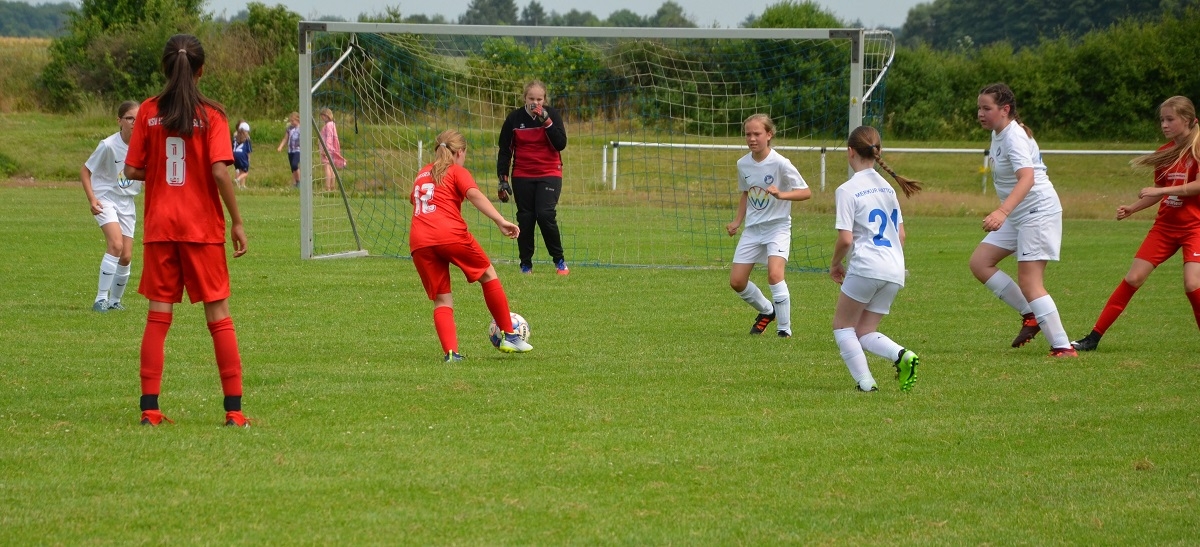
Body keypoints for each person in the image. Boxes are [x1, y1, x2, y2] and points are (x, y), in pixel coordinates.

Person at [123, 33, 251, 427]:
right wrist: (237, 221)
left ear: (165, 67)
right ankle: (234, 411)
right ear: (201, 70)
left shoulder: (148, 110)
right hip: (201, 228)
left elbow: (131, 169)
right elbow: (219, 171)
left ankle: (150, 409)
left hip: (161, 226)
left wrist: (161, 172)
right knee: (219, 316)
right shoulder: (212, 114)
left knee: (158, 316)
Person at [1072, 96, 1200, 351]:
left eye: (1170, 119)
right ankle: (1093, 338)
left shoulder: (1197, 149)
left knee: (1192, 283)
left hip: (1195, 228)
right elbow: (1158, 192)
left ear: (1187, 119)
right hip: (1165, 228)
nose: (1164, 125)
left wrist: (1161, 191)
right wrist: (1133, 208)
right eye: (1162, 119)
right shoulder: (1164, 153)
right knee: (1133, 278)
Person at [971, 83, 1077, 357]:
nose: (980, 113)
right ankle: (1031, 313)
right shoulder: (1000, 132)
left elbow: (1027, 178)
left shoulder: (1013, 137)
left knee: (1030, 282)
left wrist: (1002, 212)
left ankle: (1063, 347)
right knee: (980, 263)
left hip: (1037, 212)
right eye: (979, 108)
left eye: (986, 108)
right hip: (1020, 213)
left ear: (1005, 109)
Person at [411, 129, 533, 361]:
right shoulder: (456, 170)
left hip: (419, 241)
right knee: (488, 274)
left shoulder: (422, 173)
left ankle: (451, 354)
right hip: (449, 234)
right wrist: (500, 220)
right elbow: (474, 194)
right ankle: (509, 334)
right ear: (460, 152)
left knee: (442, 298)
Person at [830, 126, 922, 392]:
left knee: (843, 327)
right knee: (865, 331)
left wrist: (835, 264)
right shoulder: (888, 188)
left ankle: (866, 383)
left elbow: (845, 239)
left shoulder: (847, 190)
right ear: (877, 151)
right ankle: (902, 354)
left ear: (850, 152)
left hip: (867, 266)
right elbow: (901, 235)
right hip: (894, 269)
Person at [725, 113, 812, 337]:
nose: (752, 138)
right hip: (753, 229)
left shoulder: (781, 163)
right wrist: (737, 221)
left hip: (777, 227)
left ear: (769, 135)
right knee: (737, 282)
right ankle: (767, 310)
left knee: (774, 275)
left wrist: (782, 194)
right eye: (748, 134)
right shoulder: (743, 163)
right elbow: (746, 193)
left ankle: (784, 330)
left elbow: (806, 192)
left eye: (757, 133)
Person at [496, 80, 569, 275]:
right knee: (526, 218)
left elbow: (561, 144)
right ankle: (526, 264)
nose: (535, 103)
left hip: (549, 172)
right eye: (531, 99)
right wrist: (503, 179)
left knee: (545, 214)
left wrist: (547, 122)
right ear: (524, 99)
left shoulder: (552, 115)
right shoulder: (514, 119)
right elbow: (505, 151)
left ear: (544, 100)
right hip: (523, 174)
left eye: (539, 99)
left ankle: (559, 261)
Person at [81, 100, 142, 312]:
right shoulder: (108, 145)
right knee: (116, 245)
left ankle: (115, 302)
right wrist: (92, 199)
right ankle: (100, 299)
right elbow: (85, 171)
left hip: (127, 202)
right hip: (105, 197)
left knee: (126, 256)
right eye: (130, 118)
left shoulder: (144, 146)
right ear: (119, 121)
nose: (134, 123)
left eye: (138, 119)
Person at [319, 107, 345, 192]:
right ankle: (332, 186)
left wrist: (325, 149)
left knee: (327, 167)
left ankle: (328, 187)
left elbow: (329, 138)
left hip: (327, 149)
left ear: (326, 116)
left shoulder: (329, 125)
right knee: (331, 167)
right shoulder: (332, 124)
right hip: (330, 148)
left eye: (322, 116)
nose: (322, 118)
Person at [276, 112, 301, 188]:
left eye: (293, 121)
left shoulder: (301, 128)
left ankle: (299, 181)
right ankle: (295, 183)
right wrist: (280, 146)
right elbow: (285, 138)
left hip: (298, 149)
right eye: (290, 121)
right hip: (290, 150)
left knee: (295, 164)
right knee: (292, 168)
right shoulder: (289, 128)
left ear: (297, 120)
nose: (291, 122)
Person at [232, 120, 251, 189]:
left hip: (234, 156)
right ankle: (237, 179)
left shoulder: (235, 138)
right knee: (245, 172)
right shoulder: (247, 139)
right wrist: (248, 159)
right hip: (242, 156)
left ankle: (241, 186)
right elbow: (248, 150)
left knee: (239, 170)